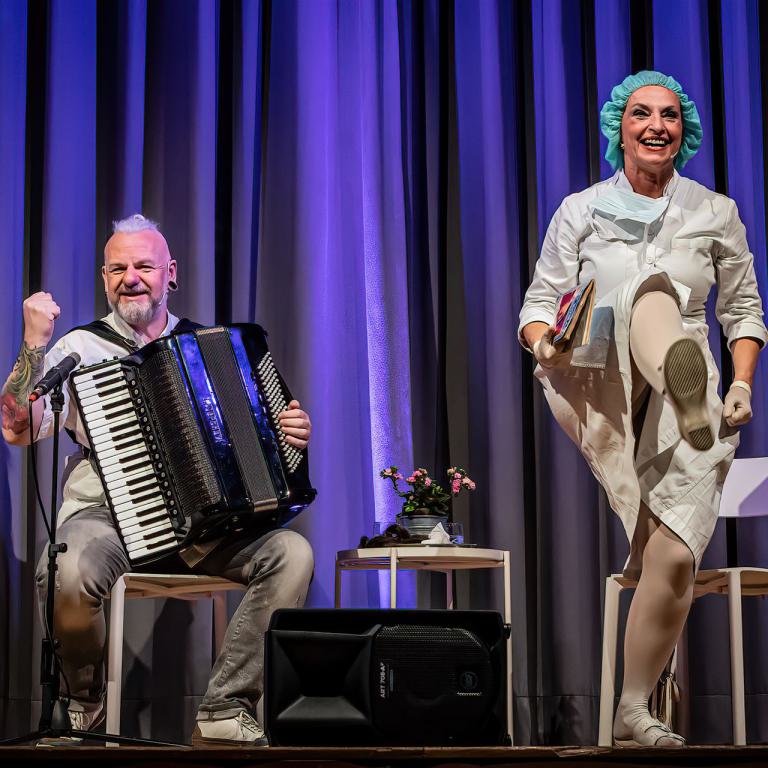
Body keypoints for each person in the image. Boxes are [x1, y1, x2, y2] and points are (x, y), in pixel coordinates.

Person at [519, 71, 766, 747]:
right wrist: (544, 344)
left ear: (683, 131)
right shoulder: (582, 209)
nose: (657, 125)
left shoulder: (715, 211)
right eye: (641, 114)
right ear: (618, 130)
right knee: (643, 293)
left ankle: (633, 708)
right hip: (602, 376)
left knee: (677, 554)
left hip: (695, 395)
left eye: (669, 116)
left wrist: (742, 385)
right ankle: (679, 386)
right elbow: (539, 304)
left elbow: (743, 310)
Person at [1, 214, 314, 746]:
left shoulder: (206, 347)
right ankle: (83, 702)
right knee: (66, 570)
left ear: (171, 273)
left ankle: (225, 707)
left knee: (292, 554)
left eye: (144, 267)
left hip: (204, 528)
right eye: (117, 269)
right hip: (106, 518)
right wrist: (34, 344)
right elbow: (16, 427)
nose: (131, 278)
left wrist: (289, 432)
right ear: (104, 278)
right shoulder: (81, 348)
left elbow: (261, 432)